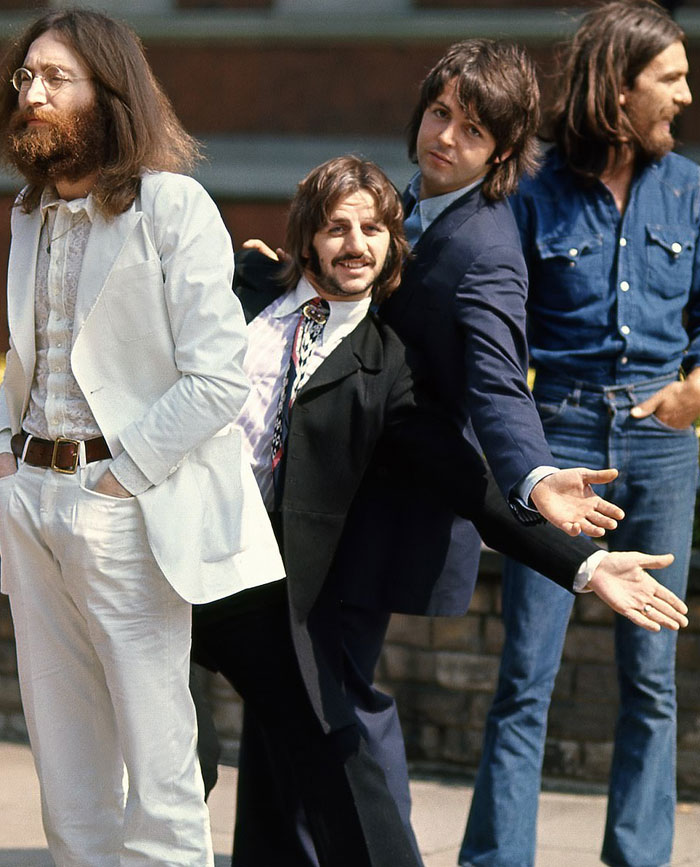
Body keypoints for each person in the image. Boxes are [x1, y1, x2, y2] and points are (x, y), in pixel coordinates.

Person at [210, 154, 688, 867]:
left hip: (269, 585)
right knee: (173, 757)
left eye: (372, 228)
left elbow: (473, 486)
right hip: (174, 566)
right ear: (306, 238)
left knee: (339, 751)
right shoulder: (243, 291)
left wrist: (584, 562)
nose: (355, 243)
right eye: (337, 227)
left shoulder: (389, 365)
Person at [0, 9, 284, 866]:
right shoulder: (28, 213)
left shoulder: (173, 205)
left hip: (122, 505)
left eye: (55, 79)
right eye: (24, 79)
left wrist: (122, 476)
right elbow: (30, 359)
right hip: (30, 499)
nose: (31, 93)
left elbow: (218, 375)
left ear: (109, 91)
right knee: (64, 764)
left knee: (159, 769)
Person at [461, 4, 700, 866]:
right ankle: (497, 858)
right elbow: (497, 323)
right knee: (526, 675)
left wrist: (692, 395)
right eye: (668, 77)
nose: (683, 92)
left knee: (652, 675)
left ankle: (639, 856)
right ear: (619, 86)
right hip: (561, 438)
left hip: (665, 442)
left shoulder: (692, 187)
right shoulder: (531, 190)